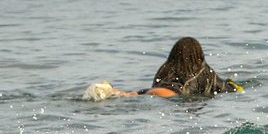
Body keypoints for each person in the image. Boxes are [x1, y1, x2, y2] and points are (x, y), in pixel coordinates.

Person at [97, 37, 242, 99]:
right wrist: (235, 87)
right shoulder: (205, 71)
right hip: (172, 95)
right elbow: (228, 88)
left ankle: (119, 92)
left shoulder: (166, 67)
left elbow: (156, 84)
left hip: (156, 92)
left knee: (132, 95)